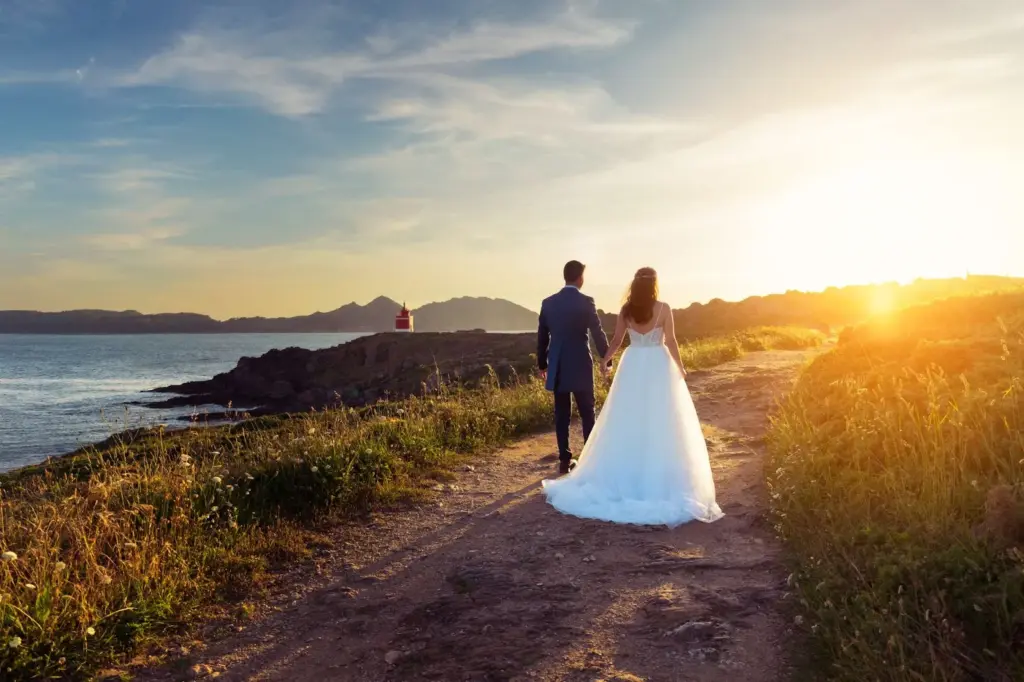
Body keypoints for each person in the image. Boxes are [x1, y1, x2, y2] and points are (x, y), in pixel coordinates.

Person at [541, 267, 723, 527]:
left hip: (634, 363)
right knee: (662, 417)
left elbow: (616, 339)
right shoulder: (664, 308)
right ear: (654, 285)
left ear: (634, 285)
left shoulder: (626, 310)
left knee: (628, 416)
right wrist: (680, 366)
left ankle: (625, 469)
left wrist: (606, 359)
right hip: (659, 364)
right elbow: (670, 340)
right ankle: (659, 471)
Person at [536, 260, 610, 475]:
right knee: (588, 411)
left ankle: (564, 460)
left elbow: (542, 337)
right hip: (580, 363)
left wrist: (542, 364)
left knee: (562, 413)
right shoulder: (586, 302)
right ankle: (588, 458)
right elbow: (597, 333)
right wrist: (606, 358)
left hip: (557, 363)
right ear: (580, 278)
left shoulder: (548, 303)